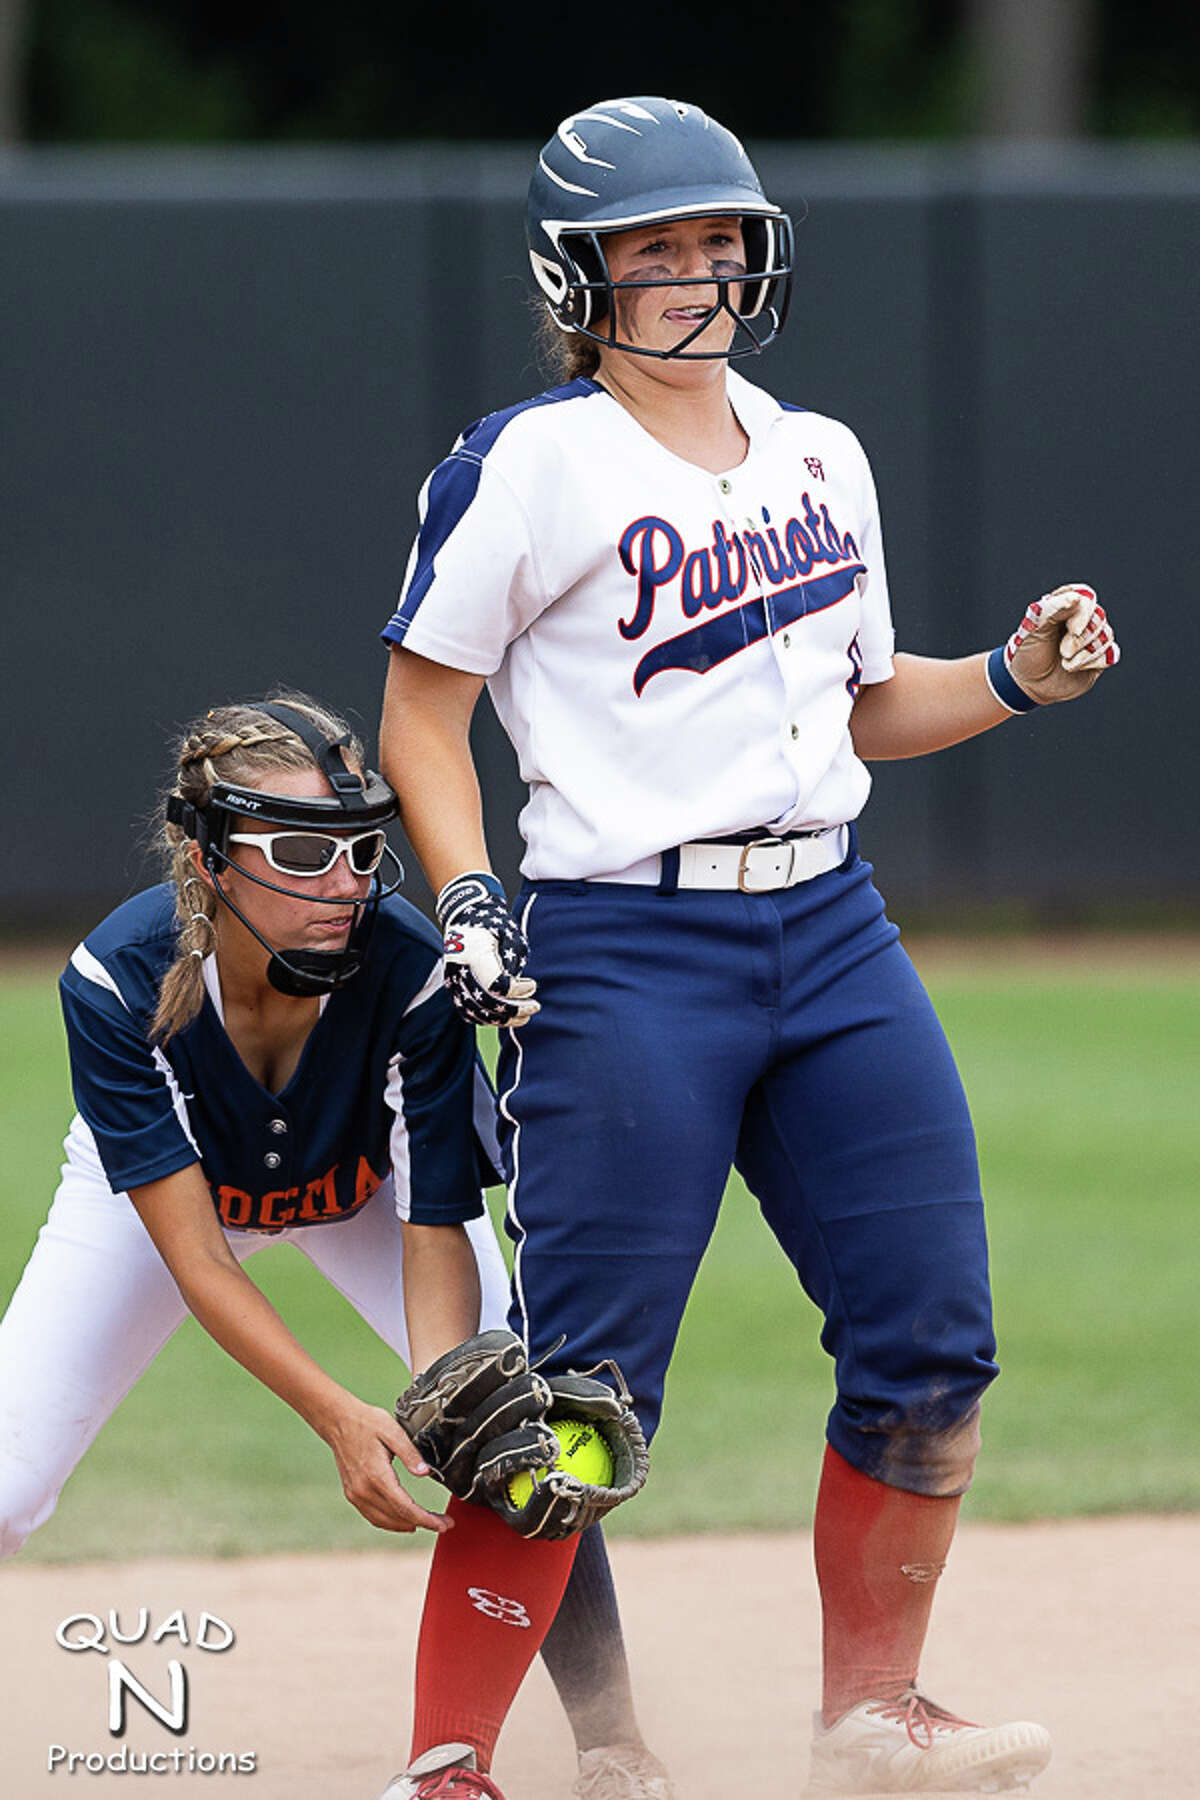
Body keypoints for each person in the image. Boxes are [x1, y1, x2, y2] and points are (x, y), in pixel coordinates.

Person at [376, 97, 1121, 1796]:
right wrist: (475, 900)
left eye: (720, 240)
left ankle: (874, 1713)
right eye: (657, 248)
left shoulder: (820, 453)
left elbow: (872, 704)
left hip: (832, 925)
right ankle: (450, 1767)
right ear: (582, 278)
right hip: (626, 950)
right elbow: (424, 721)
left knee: (932, 1340)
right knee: (572, 1401)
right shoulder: (532, 462)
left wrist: (1011, 678)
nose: (700, 271)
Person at [0, 693, 667, 1800]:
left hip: (363, 1196)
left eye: (363, 847)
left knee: (512, 1422)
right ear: (210, 859)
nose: (348, 880)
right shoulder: (117, 980)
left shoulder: (409, 970)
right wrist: (338, 1417)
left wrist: (452, 1393)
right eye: (304, 851)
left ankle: (603, 1740)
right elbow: (199, 1259)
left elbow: (432, 1215)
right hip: (176, 1206)